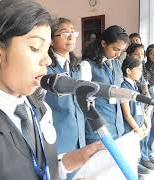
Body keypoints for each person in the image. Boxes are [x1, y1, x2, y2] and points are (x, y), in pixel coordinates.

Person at [0, 1, 102, 179]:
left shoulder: (40, 110)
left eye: (47, 49)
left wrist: (74, 159)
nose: (47, 60)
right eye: (34, 48)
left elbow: (34, 169)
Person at [44, 17, 99, 179]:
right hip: (58, 136)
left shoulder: (78, 66)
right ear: (51, 40)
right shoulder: (46, 69)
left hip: (79, 133)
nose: (71, 37)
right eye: (64, 33)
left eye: (73, 33)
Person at [83, 25, 128, 142]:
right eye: (115, 49)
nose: (118, 54)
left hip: (117, 125)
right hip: (98, 129)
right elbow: (83, 100)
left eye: (121, 51)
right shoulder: (88, 65)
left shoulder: (117, 64)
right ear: (103, 43)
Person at [120, 57, 151, 179]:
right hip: (130, 129)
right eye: (138, 69)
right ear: (128, 70)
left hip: (137, 126)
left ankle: (134, 173)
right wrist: (137, 128)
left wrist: (145, 123)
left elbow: (140, 107)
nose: (140, 72)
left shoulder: (134, 86)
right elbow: (127, 114)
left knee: (135, 153)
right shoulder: (124, 87)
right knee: (129, 154)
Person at [140, 44, 154, 170]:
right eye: (152, 53)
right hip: (147, 103)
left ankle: (148, 153)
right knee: (146, 129)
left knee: (153, 129)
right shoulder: (143, 68)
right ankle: (143, 156)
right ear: (147, 54)